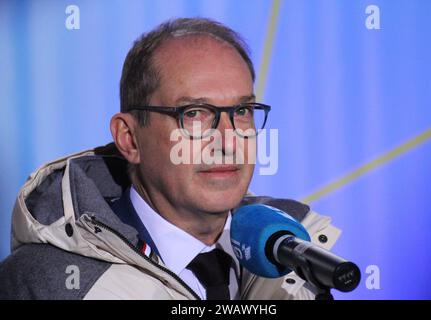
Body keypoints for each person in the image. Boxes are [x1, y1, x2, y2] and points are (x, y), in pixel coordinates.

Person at [0, 17, 340, 300]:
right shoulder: (44, 283)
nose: (227, 138)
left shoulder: (297, 265)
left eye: (242, 110)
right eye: (194, 113)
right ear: (130, 139)